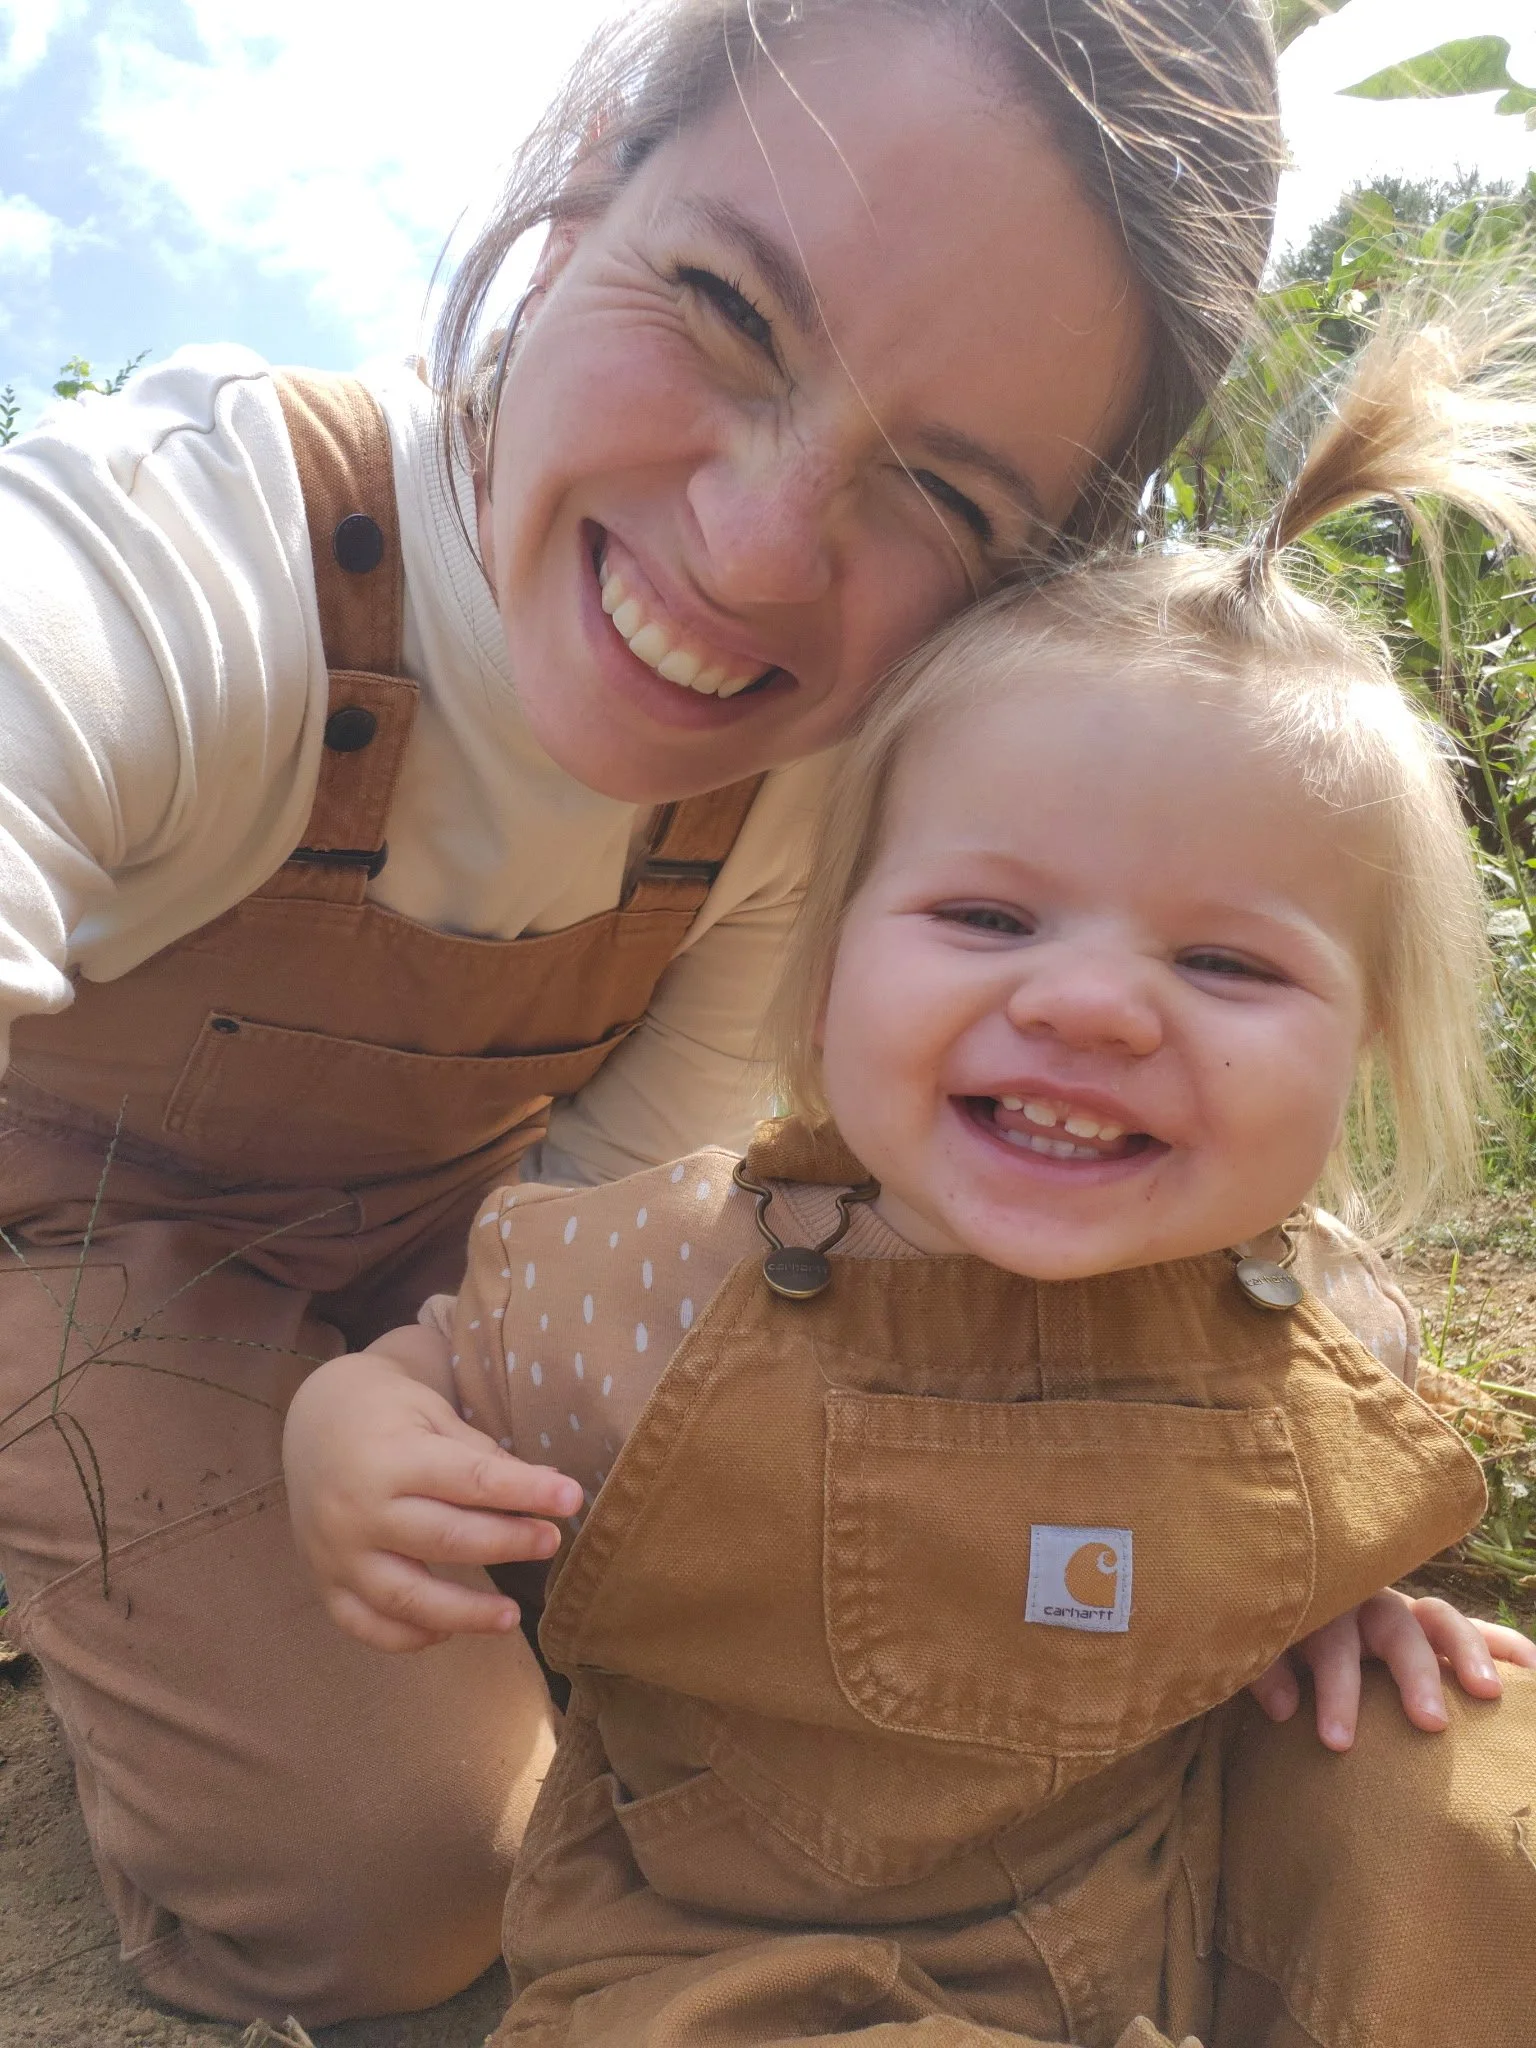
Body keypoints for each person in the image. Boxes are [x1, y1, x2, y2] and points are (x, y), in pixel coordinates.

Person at [284, 288, 1536, 2046]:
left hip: (1168, 1892)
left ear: (1363, 1056)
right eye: (988, 915)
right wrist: (349, 1438)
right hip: (738, 1952)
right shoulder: (671, 1276)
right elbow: (434, 1361)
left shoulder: (1321, 1315)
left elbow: (1285, 1538)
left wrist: (1340, 1613)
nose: (1092, 1004)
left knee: (1474, 1780)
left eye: (1230, 965)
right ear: (829, 958)